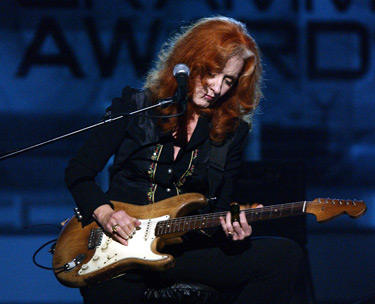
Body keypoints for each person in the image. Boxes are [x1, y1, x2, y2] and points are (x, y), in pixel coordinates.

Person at [65, 16, 303, 304]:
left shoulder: (233, 132)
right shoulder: (135, 107)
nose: (217, 88)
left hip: (185, 250)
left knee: (284, 255)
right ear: (190, 62)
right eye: (212, 73)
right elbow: (79, 171)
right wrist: (105, 213)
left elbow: (218, 208)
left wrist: (233, 230)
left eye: (228, 80)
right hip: (119, 246)